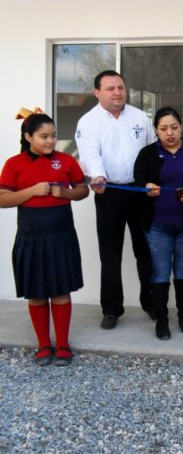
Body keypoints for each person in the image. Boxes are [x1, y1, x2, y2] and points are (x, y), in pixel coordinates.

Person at [0, 109, 89, 366]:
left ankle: (62, 344)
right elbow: (3, 199)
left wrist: (65, 194)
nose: (51, 141)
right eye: (44, 136)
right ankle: (42, 345)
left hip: (61, 235)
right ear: (28, 137)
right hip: (31, 237)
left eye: (53, 136)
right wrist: (32, 191)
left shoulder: (66, 160)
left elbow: (82, 190)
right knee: (37, 293)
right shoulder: (13, 164)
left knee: (61, 291)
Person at [75, 70, 155, 330]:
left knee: (145, 251)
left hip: (140, 193)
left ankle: (152, 303)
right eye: (110, 88)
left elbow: (152, 152)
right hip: (108, 192)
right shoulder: (88, 122)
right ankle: (111, 309)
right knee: (110, 254)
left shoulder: (141, 117)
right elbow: (89, 153)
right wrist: (98, 176)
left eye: (120, 87)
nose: (118, 93)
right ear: (97, 92)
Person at [133, 107, 183, 340]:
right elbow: (138, 182)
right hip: (158, 225)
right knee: (161, 273)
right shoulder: (147, 154)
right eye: (163, 129)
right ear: (156, 130)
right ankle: (162, 321)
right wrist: (146, 189)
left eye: (174, 127)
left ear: (181, 126)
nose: (169, 133)